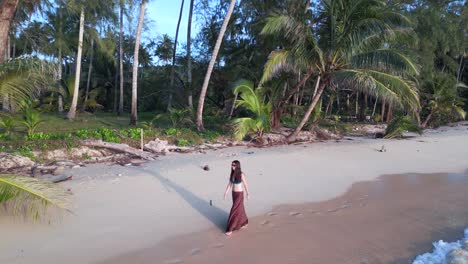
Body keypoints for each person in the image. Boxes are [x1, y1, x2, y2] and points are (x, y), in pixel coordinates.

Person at [223, 160, 249, 236]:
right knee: (239, 208)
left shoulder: (241, 174)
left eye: (234, 165)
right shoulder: (232, 174)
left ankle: (230, 228)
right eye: (232, 165)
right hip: (233, 194)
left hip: (239, 194)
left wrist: (248, 193)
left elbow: (245, 184)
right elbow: (230, 184)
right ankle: (243, 222)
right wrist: (225, 193)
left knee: (234, 209)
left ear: (237, 166)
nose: (232, 166)